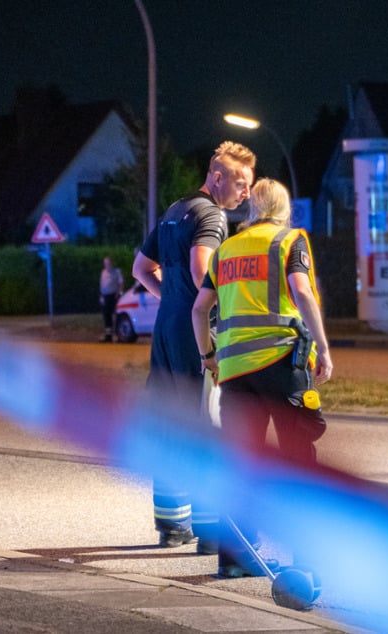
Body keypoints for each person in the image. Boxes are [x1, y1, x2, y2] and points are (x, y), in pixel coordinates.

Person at [191, 177, 333, 577]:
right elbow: (302, 293)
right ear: (283, 209)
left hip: (234, 373)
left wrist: (208, 357)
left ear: (252, 208)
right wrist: (323, 347)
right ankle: (305, 562)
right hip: (280, 363)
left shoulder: (225, 250)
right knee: (297, 460)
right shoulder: (289, 241)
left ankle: (234, 560)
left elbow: (199, 310)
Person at [132, 140, 256, 550]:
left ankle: (171, 525)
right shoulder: (212, 215)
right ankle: (207, 529)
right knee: (205, 425)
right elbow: (203, 266)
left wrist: (170, 297)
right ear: (216, 177)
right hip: (194, 331)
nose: (245, 194)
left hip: (166, 327)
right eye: (240, 183)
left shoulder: (173, 211)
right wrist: (216, 303)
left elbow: (140, 268)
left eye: (249, 186)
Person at [98, 257, 125, 342]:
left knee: (116, 315)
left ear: (111, 263)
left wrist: (119, 294)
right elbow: (102, 284)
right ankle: (108, 335)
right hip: (105, 296)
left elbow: (121, 283)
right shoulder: (103, 272)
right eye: (105, 264)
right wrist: (101, 296)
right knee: (106, 316)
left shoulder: (117, 272)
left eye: (108, 263)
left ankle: (118, 335)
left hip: (114, 296)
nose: (107, 265)